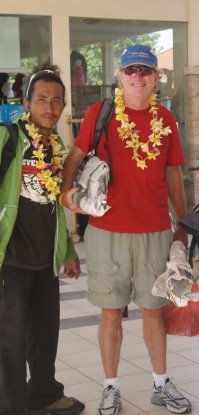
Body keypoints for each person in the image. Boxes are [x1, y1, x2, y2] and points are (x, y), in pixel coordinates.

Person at [61, 45, 190, 415]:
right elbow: (75, 155)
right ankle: (110, 387)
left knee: (154, 311)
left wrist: (181, 225)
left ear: (155, 79)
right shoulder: (100, 114)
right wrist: (67, 197)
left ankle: (161, 383)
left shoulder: (166, 119)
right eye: (130, 70)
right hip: (106, 232)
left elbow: (172, 173)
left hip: (154, 232)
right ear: (119, 76)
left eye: (145, 70)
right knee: (110, 312)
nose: (138, 76)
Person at [0, 66, 84, 415]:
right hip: (11, 260)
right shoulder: (7, 137)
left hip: (44, 260)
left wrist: (66, 250)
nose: (50, 107)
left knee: (45, 336)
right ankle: (12, 407)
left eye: (57, 101)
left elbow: (55, 205)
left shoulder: (55, 145)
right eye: (42, 100)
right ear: (26, 102)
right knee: (10, 342)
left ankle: (44, 394)